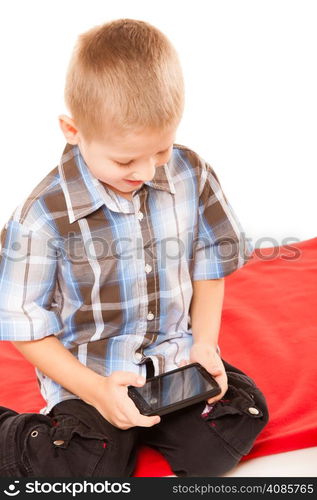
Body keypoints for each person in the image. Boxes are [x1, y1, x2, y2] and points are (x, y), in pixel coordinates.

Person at [0, 18, 268, 478]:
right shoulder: (41, 217)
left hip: (172, 360)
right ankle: (17, 431)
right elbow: (25, 325)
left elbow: (209, 263)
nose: (146, 171)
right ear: (72, 129)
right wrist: (98, 391)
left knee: (231, 428)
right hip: (92, 376)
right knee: (84, 467)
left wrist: (204, 345)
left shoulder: (190, 172)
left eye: (160, 151)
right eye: (125, 159)